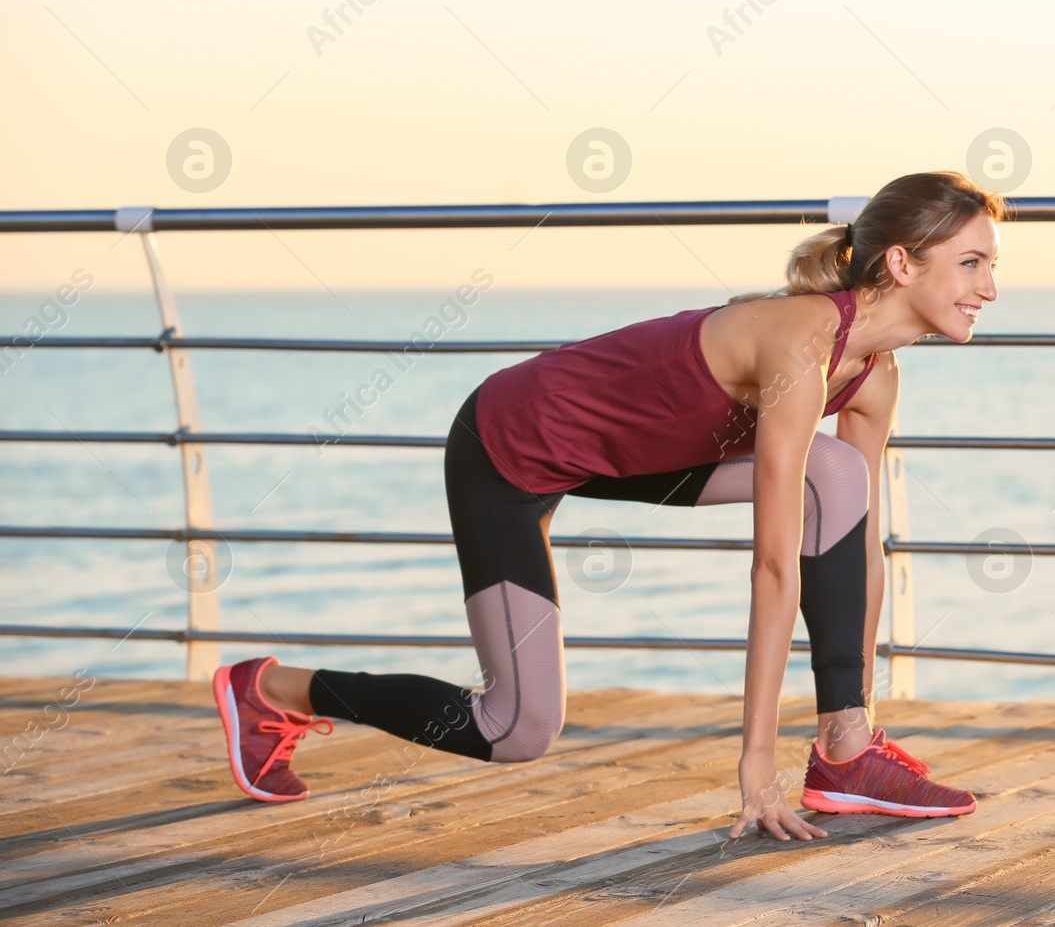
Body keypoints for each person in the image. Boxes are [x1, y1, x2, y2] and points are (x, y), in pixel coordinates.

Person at [211, 169, 1004, 841]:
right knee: (515, 728)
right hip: (506, 445)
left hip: (635, 457)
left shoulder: (878, 373)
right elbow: (773, 565)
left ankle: (845, 749)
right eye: (971, 264)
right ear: (901, 262)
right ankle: (271, 689)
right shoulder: (802, 341)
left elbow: (853, 545)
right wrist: (754, 759)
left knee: (837, 476)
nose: (989, 289)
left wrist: (852, 707)